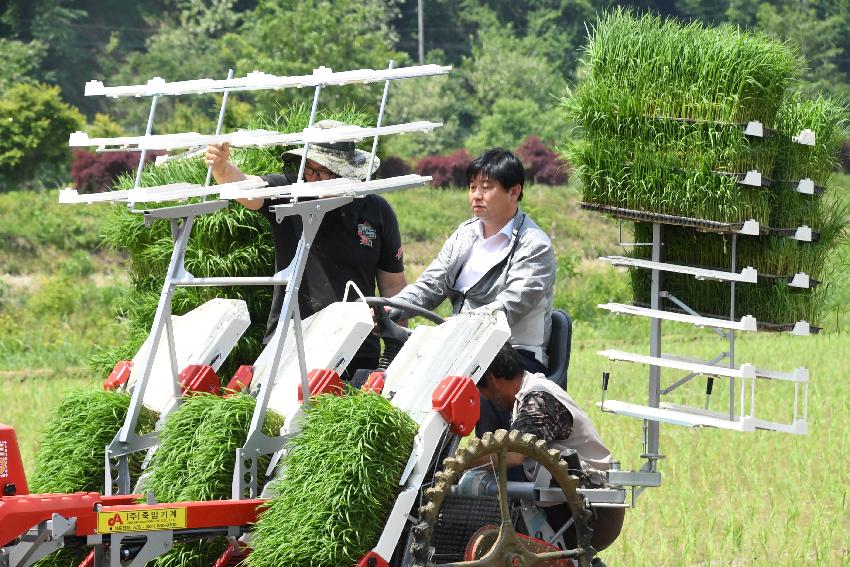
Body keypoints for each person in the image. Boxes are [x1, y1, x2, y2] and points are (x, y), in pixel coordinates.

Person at [204, 120, 407, 374]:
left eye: (323, 171)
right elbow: (246, 187)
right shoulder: (291, 191)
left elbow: (393, 286)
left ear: (347, 171)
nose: (313, 179)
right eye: (308, 170)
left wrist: (395, 339)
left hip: (357, 346)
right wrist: (222, 169)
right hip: (291, 340)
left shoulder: (376, 209)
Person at [391, 148, 555, 431]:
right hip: (462, 347)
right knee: (404, 377)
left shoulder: (534, 246)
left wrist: (456, 327)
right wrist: (388, 307)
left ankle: (497, 469)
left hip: (514, 356)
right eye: (472, 187)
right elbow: (431, 284)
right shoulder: (465, 235)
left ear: (514, 192)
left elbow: (509, 306)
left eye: (487, 187)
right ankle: (429, 471)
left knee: (476, 382)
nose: (476, 195)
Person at [476, 343, 624, 552]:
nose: (484, 397)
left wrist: (462, 467)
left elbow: (513, 454)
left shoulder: (539, 399)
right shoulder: (525, 397)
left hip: (593, 512)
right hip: (569, 503)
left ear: (491, 380)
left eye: (480, 389)